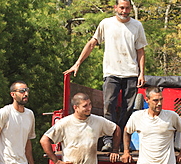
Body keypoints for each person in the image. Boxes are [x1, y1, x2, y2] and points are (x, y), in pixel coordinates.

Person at [63, 0, 148, 152]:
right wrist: (78, 63)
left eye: (127, 8)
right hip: (111, 72)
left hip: (131, 73)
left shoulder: (137, 26)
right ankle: (108, 140)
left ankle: (121, 139)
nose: (124, 11)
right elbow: (91, 43)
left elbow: (140, 51)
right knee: (109, 106)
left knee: (128, 109)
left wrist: (141, 73)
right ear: (115, 8)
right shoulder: (106, 23)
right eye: (121, 8)